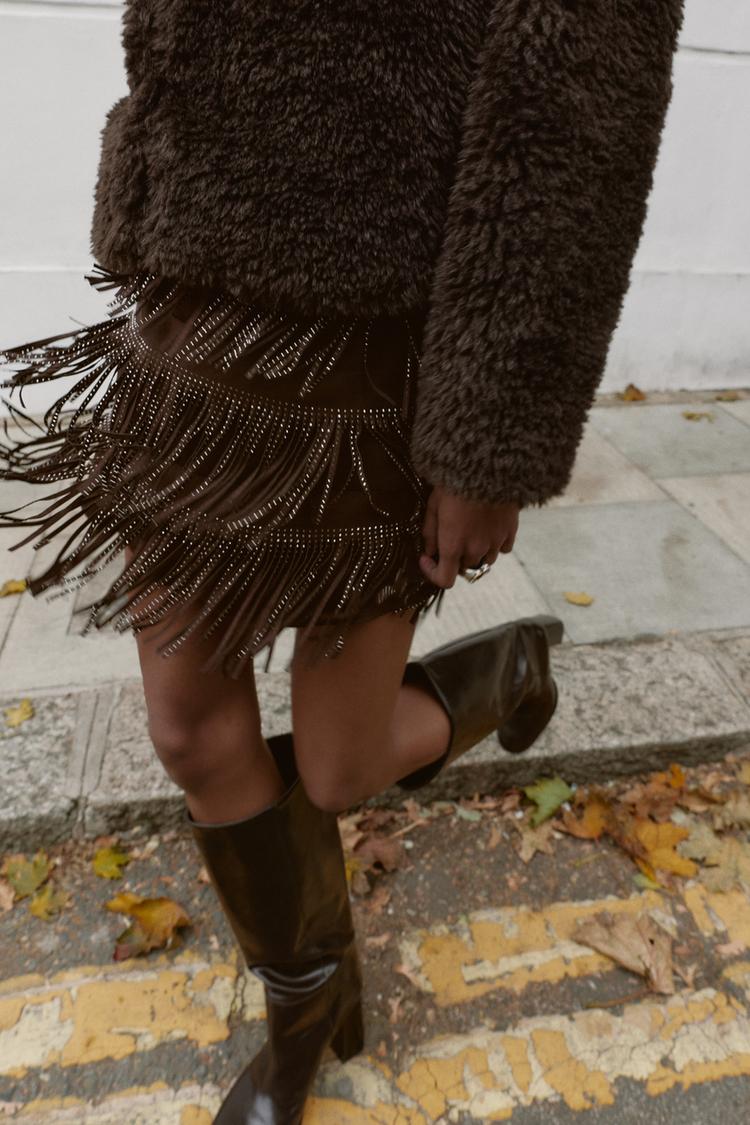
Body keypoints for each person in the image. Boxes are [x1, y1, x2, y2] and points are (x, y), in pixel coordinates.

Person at [0, 1, 685, 1121]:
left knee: (336, 769)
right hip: (192, 326)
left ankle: (502, 672)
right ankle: (304, 1005)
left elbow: (575, 131)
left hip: (375, 372)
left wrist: (491, 438)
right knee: (186, 729)